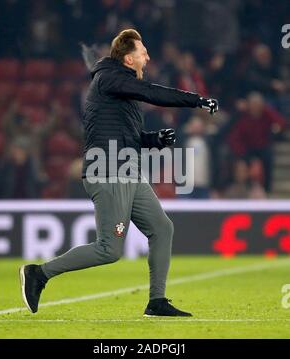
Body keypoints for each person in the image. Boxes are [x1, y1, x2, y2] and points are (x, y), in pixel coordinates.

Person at [20, 29, 218, 317]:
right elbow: (153, 92)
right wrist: (196, 100)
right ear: (128, 59)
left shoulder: (118, 84)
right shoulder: (110, 79)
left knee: (162, 228)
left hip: (128, 170)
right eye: (142, 52)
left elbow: (128, 135)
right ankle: (39, 273)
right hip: (109, 171)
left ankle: (157, 301)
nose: (147, 57)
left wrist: (153, 140)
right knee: (109, 250)